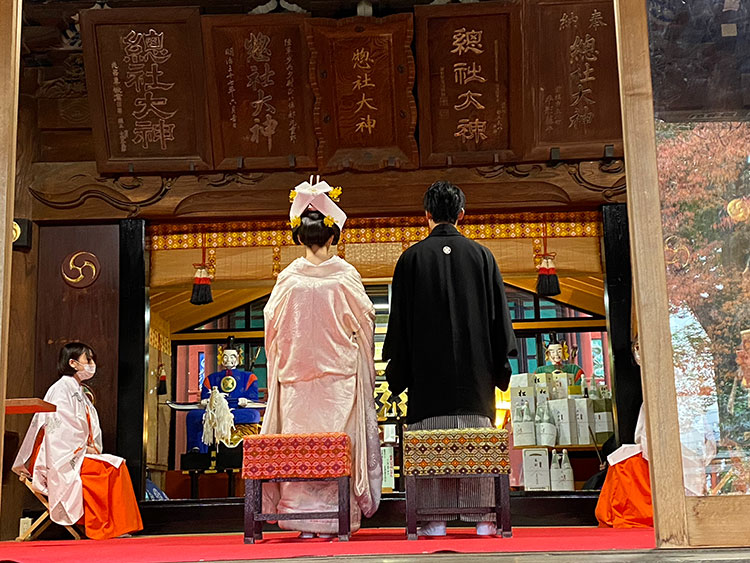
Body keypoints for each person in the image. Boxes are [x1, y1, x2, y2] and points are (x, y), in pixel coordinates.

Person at [383, 180, 517, 537]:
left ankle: (434, 519)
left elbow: (400, 324)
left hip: (428, 381)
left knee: (432, 437)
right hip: (475, 379)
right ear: (461, 214)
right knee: (475, 436)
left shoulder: (410, 258)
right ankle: (484, 519)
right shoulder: (482, 256)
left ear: (426, 215)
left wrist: (398, 373)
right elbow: (498, 319)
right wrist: (499, 366)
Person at [261, 177, 381, 538]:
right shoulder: (345, 277)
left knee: (301, 448)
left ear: (299, 236)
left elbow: (272, 331)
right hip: (338, 382)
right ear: (333, 236)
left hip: (296, 381)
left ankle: (301, 520)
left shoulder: (288, 280)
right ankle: (334, 519)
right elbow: (366, 324)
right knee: (333, 448)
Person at [13, 342, 143, 539]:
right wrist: (83, 449)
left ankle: (118, 527)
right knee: (106, 470)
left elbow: (87, 425)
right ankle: (102, 527)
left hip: (77, 452)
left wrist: (90, 446)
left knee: (117, 465)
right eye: (87, 359)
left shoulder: (79, 390)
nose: (92, 364)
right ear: (73, 363)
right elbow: (60, 429)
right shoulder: (60, 389)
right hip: (61, 457)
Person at [185, 338, 260, 452]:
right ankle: (197, 448)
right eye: (225, 356)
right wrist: (207, 401)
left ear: (239, 359)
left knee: (253, 415)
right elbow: (205, 398)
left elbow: (253, 399)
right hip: (215, 412)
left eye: (232, 357)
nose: (229, 360)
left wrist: (246, 401)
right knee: (193, 416)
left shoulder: (249, 377)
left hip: (236, 410)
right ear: (221, 358)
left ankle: (247, 450)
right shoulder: (211, 378)